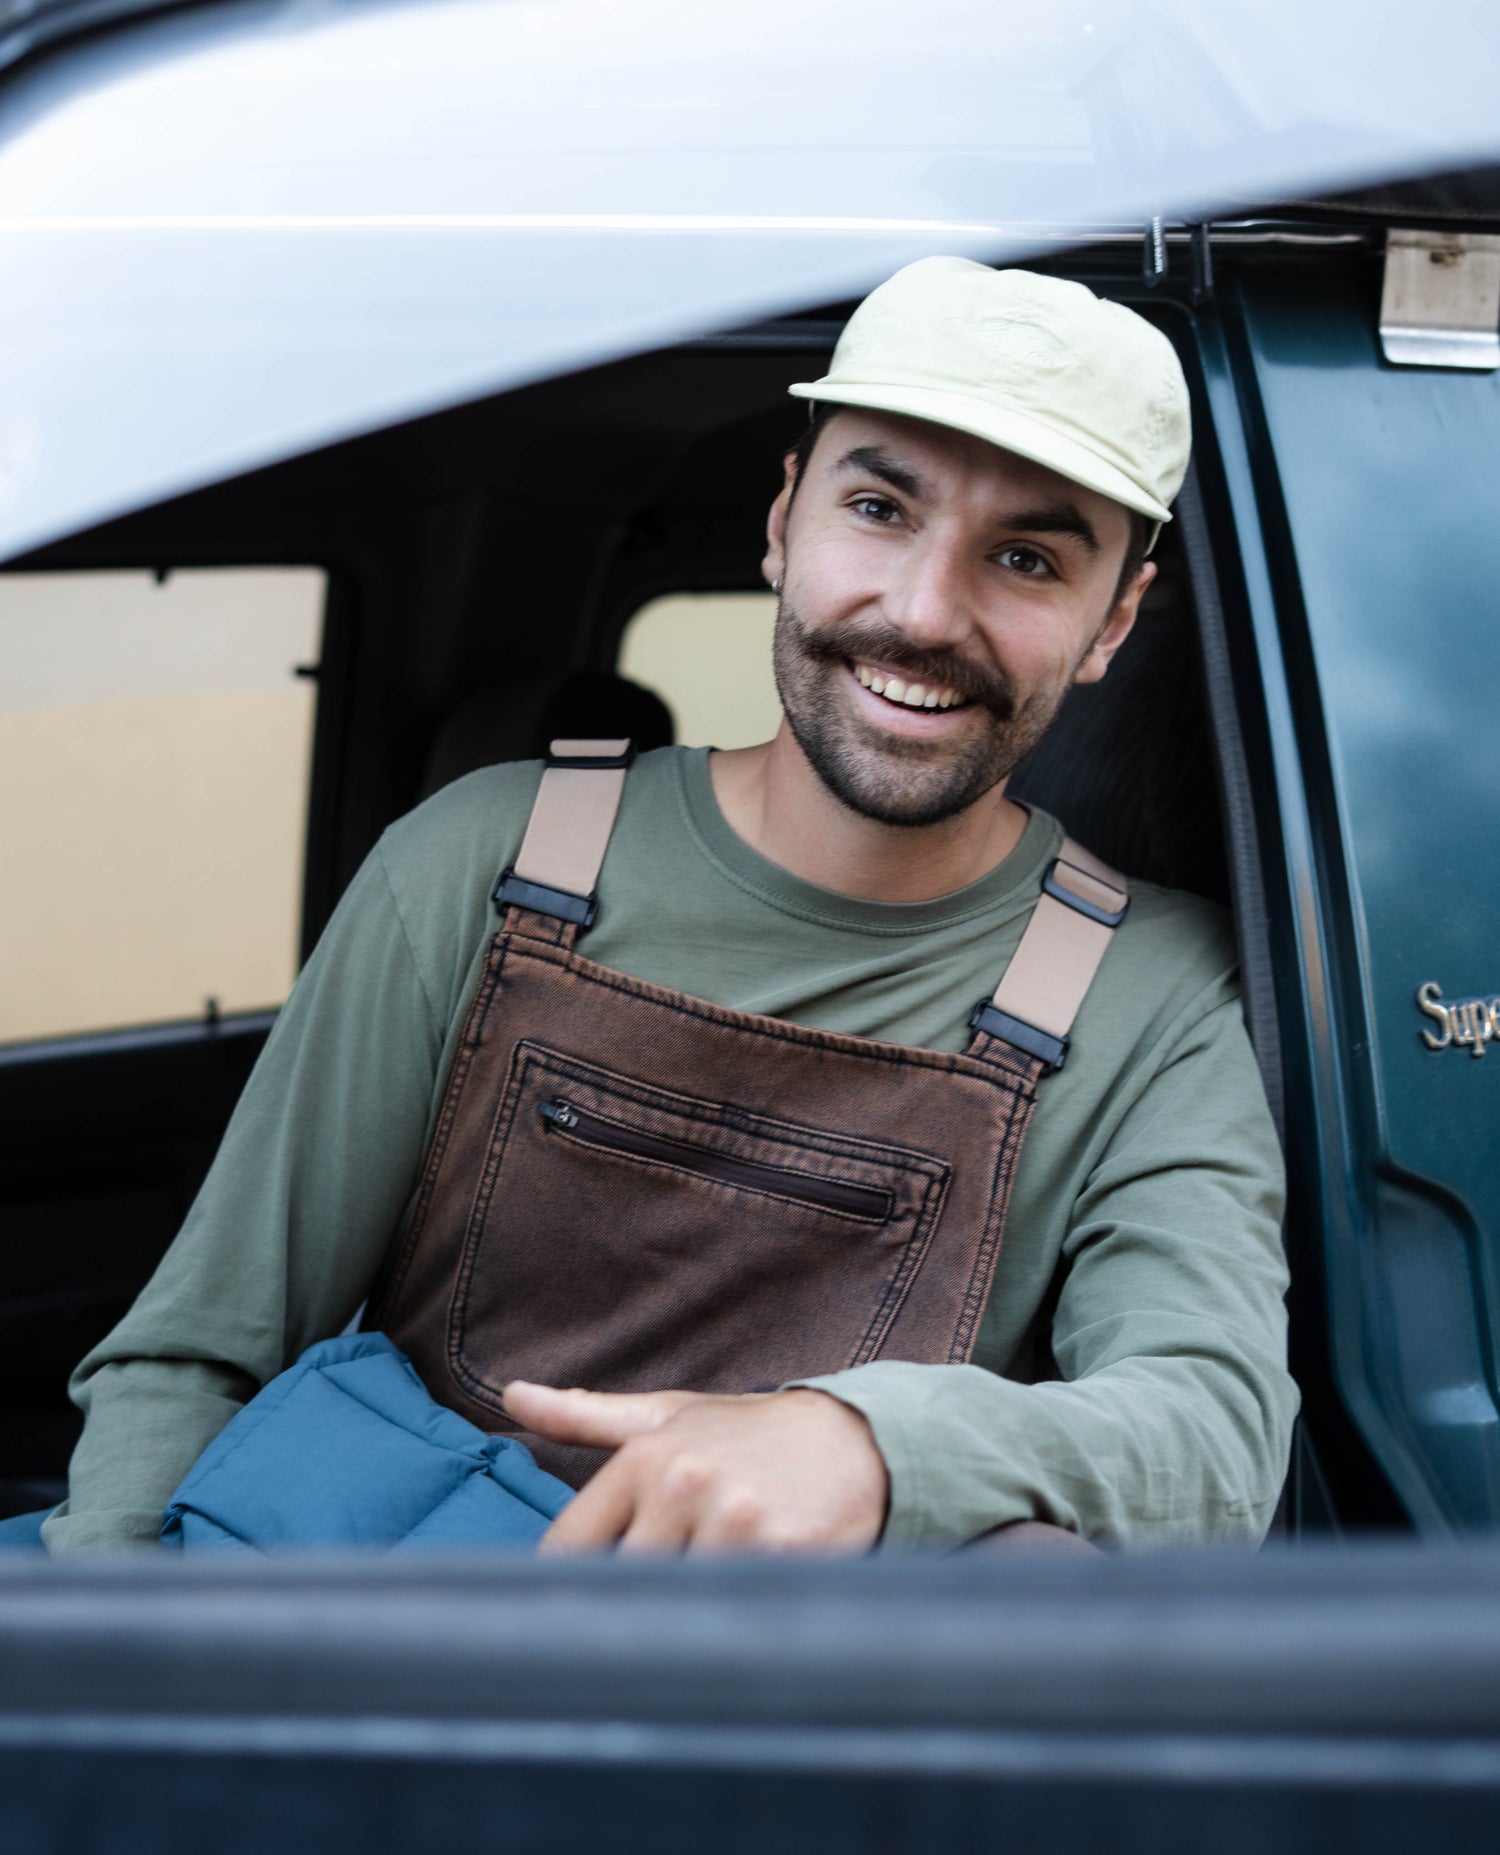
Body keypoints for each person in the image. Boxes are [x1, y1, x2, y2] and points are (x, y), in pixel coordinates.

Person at [44, 257, 1296, 1556]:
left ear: (1112, 624)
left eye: (1027, 558)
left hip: (740, 1730)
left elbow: (1212, 1445)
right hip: (374, 1654)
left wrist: (867, 1444)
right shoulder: (480, 857)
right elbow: (197, 1360)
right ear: (781, 522)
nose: (923, 613)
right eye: (877, 507)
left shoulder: (1152, 994)